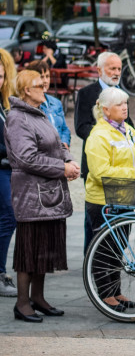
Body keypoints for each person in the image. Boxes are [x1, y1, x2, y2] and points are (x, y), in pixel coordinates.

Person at [5, 70, 80, 323]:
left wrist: (68, 159)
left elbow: (56, 144)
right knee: (29, 250)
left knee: (44, 249)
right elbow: (27, 158)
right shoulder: (17, 117)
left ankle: (38, 298)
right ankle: (22, 303)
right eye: (39, 84)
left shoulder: (40, 113)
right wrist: (61, 168)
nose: (44, 86)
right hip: (30, 194)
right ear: (26, 90)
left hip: (47, 193)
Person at [83, 87, 135, 309]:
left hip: (123, 199)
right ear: (105, 110)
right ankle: (105, 295)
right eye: (119, 105)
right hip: (102, 201)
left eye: (125, 103)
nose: (125, 107)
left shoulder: (128, 129)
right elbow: (99, 170)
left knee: (118, 248)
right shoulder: (98, 135)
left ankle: (117, 292)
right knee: (104, 249)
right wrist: (133, 173)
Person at [74, 51, 132, 250]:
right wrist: (107, 135)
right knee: (95, 217)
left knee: (120, 219)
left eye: (119, 68)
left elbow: (129, 128)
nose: (116, 73)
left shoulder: (122, 95)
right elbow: (81, 127)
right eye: (112, 68)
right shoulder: (86, 93)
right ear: (99, 70)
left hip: (121, 168)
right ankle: (90, 257)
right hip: (96, 163)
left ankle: (114, 258)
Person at [0, 49, 17, 297]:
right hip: (3, 166)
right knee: (9, 216)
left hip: (5, 168)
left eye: (2, 76)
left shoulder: (4, 104)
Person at [25, 60, 71, 149]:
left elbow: (65, 129)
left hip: (62, 153)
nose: (45, 81)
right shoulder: (31, 105)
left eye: (47, 76)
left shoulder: (56, 102)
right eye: (41, 77)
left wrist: (65, 143)